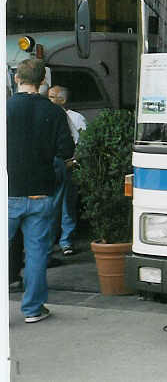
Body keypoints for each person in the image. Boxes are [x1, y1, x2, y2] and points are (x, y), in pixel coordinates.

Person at [7, 59, 74, 323]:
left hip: (8, 192)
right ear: (43, 82)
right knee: (36, 253)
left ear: (16, 79)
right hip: (41, 193)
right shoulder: (56, 112)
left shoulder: (6, 108)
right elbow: (67, 150)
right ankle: (33, 309)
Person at [48, 85, 87, 256]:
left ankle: (66, 241)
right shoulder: (47, 115)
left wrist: (73, 161)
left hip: (68, 166)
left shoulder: (76, 118)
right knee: (51, 206)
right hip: (52, 166)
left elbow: (84, 143)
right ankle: (50, 243)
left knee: (67, 205)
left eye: (51, 97)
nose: (48, 100)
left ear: (62, 100)